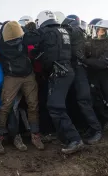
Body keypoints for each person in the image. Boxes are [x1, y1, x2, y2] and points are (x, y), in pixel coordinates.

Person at [0, 21, 44, 154]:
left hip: (28, 75)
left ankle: (35, 135)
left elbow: (38, 38)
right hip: (11, 76)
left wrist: (31, 29)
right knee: (5, 106)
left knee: (33, 105)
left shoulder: (23, 35)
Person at [36, 10, 84, 154]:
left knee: (55, 106)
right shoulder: (63, 30)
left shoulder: (48, 32)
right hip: (66, 70)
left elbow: (49, 58)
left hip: (59, 72)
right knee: (56, 105)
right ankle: (64, 137)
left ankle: (75, 139)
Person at [57, 13, 102, 144]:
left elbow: (73, 31)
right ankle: (86, 128)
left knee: (84, 100)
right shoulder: (77, 32)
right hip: (73, 70)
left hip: (79, 69)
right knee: (75, 101)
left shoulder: (76, 30)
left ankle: (96, 130)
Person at [79, 20, 108, 130]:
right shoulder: (90, 42)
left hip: (104, 75)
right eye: (98, 29)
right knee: (96, 100)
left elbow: (102, 63)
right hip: (94, 76)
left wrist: (85, 60)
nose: (98, 31)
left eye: (101, 30)